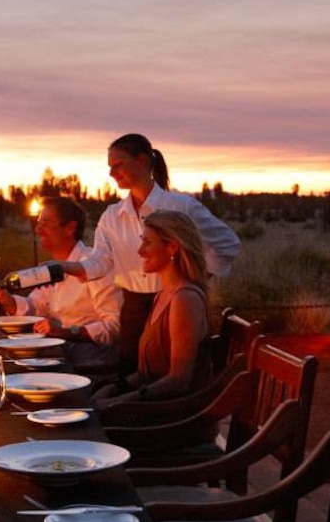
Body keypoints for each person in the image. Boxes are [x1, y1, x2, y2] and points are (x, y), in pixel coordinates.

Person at [59, 133, 240, 373]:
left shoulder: (181, 206)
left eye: (118, 165)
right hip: (132, 309)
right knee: (131, 373)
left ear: (143, 161)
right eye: (110, 167)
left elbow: (228, 244)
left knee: (172, 375)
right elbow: (101, 261)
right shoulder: (112, 216)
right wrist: (65, 267)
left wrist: (194, 279)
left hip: (175, 305)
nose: (112, 173)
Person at [93, 210, 211, 410]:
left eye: (147, 242)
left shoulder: (184, 299)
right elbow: (147, 373)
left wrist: (118, 402)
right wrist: (115, 388)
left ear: (172, 247)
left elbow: (178, 380)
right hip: (152, 405)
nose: (140, 251)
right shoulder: (164, 294)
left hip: (171, 415)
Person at [0, 196, 122, 369]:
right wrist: (6, 299)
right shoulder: (51, 270)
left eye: (45, 223)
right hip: (59, 357)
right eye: (38, 223)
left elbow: (114, 327)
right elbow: (36, 306)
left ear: (70, 228)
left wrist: (66, 333)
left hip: (93, 365)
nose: (38, 230)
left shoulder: (93, 266)